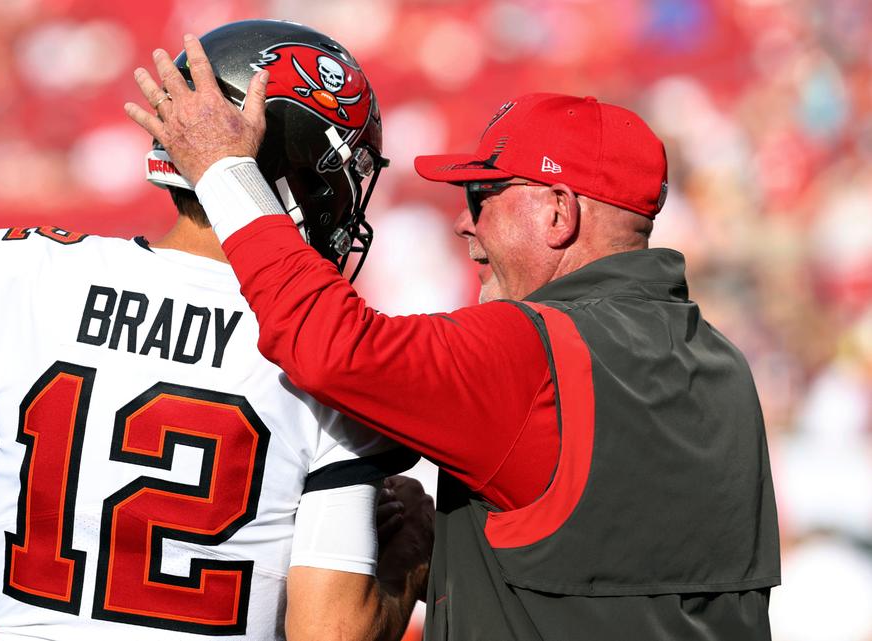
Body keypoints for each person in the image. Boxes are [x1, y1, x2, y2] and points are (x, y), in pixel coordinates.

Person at [0, 20, 432, 641]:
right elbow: (329, 632)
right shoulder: (326, 345)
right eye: (343, 173)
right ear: (295, 169)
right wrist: (410, 557)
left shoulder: (29, 275)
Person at [126, 38, 781, 640]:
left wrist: (225, 173)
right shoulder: (722, 364)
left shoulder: (533, 349)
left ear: (558, 212)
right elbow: (613, 567)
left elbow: (328, 347)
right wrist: (453, 547)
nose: (466, 225)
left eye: (481, 196)